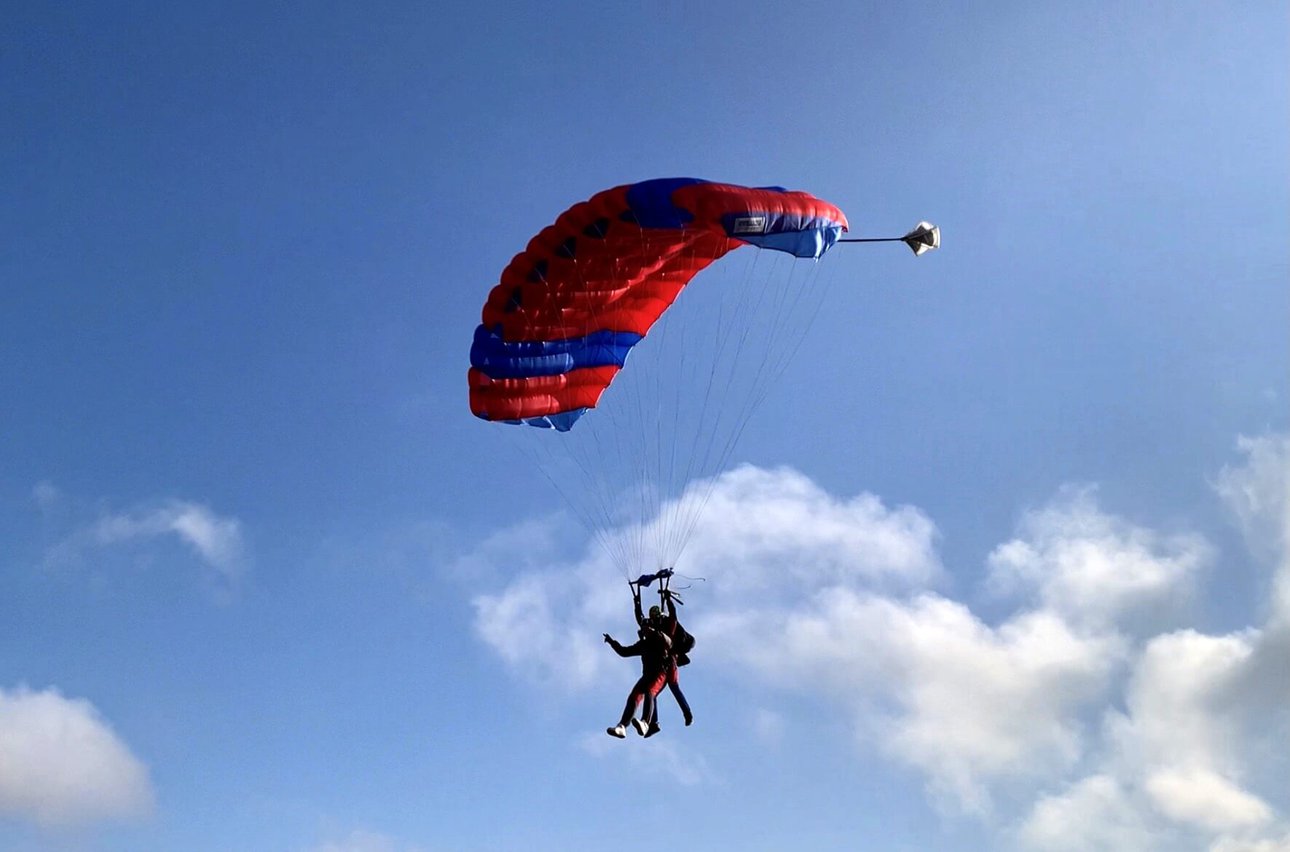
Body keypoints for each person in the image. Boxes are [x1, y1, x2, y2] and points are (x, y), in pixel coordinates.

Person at [633, 587, 693, 731]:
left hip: (669, 663)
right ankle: (654, 723)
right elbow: (640, 620)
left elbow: (673, 615)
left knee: (670, 688)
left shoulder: (668, 628)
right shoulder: (651, 629)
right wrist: (637, 604)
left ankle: (686, 714)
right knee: (652, 693)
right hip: (660, 665)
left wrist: (668, 599)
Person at [603, 619, 671, 739]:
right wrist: (611, 642)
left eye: (647, 628)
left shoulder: (660, 639)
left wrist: (656, 631)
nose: (645, 631)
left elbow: (669, 642)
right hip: (647, 675)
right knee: (634, 695)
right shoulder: (643, 645)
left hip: (660, 674)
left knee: (650, 692)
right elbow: (624, 652)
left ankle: (645, 722)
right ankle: (622, 726)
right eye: (643, 629)